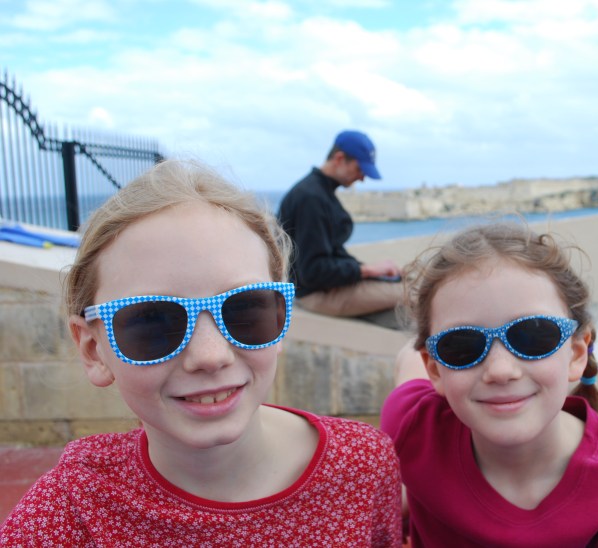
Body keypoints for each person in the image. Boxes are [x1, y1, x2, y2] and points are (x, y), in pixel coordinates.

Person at [0, 160, 402, 546]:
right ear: (93, 349)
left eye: (246, 309)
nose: (210, 356)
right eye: (152, 321)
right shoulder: (69, 512)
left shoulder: (363, 467)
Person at [381, 222, 598, 547]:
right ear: (434, 370)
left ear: (576, 354)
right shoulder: (416, 426)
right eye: (461, 344)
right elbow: (409, 358)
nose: (501, 370)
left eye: (534, 335)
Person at [277, 130, 403, 323]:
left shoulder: (318, 192)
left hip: (326, 287)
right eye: (360, 169)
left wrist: (370, 271)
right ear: (339, 158)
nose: (362, 178)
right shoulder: (311, 198)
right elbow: (313, 271)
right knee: (415, 293)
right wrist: (368, 270)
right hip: (315, 294)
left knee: (415, 281)